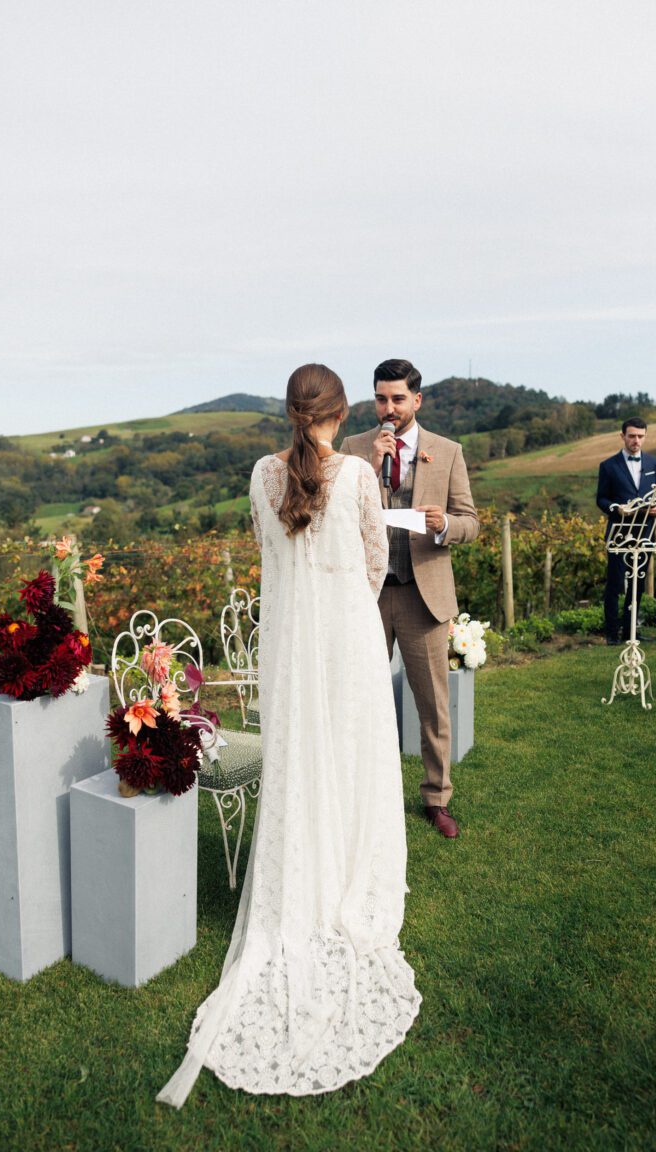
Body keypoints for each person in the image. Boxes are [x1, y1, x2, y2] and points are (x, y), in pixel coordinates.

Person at [157, 365, 421, 1107]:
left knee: (302, 762)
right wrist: (337, 608)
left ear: (290, 412)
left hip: (291, 649)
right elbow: (374, 566)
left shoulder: (259, 476)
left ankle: (308, 870)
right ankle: (346, 874)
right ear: (341, 412)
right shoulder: (363, 475)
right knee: (351, 760)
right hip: (347, 644)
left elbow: (271, 559)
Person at [340, 359, 479, 840]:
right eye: (381, 398)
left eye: (398, 399)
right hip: (368, 596)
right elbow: (338, 518)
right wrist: (371, 466)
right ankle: (364, 796)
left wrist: (444, 526)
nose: (389, 408)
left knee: (433, 706)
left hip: (424, 596)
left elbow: (471, 522)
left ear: (417, 400)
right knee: (362, 700)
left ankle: (437, 799)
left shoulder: (447, 451)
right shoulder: (353, 449)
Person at [596, 417, 656, 644]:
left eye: (640, 436)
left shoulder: (654, 464)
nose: (636, 440)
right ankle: (612, 635)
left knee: (638, 584)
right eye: (632, 436)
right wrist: (616, 508)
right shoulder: (608, 465)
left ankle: (631, 631)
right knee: (615, 584)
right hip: (619, 532)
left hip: (645, 532)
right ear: (622, 436)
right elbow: (601, 499)